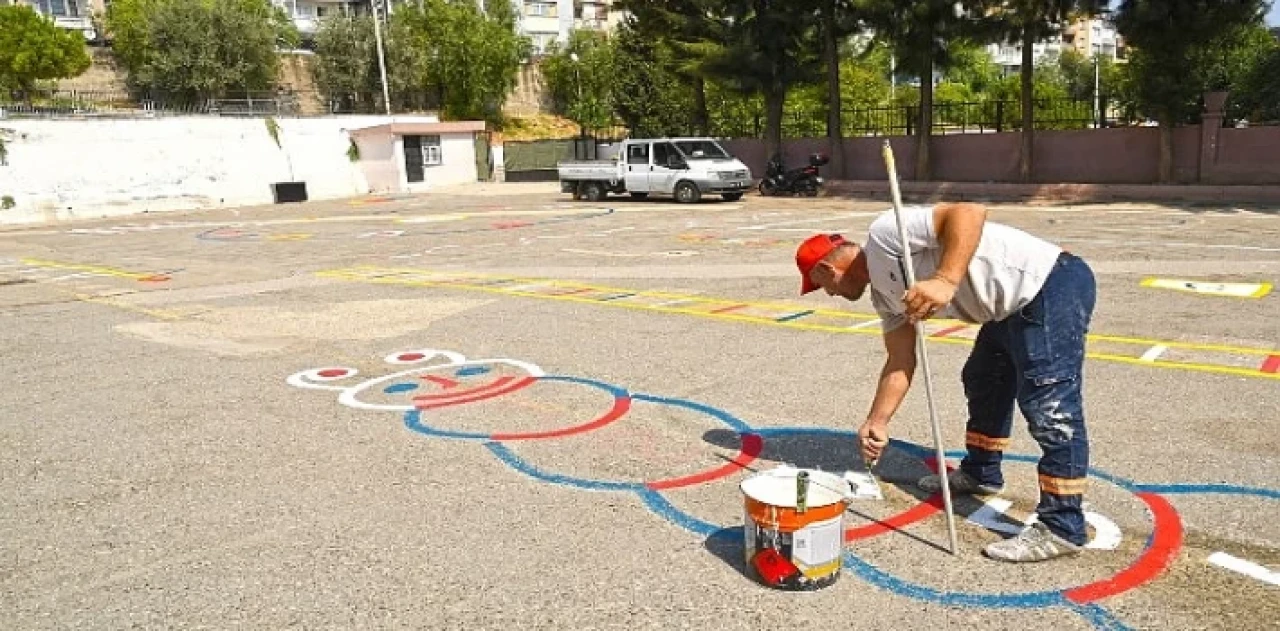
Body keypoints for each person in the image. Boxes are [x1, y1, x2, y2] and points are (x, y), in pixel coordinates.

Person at [794, 202, 1097, 563]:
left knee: (1050, 407)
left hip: (1049, 283)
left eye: (820, 284)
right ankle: (981, 472)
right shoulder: (883, 298)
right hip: (1007, 307)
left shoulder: (886, 234)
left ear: (828, 268)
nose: (827, 294)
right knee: (984, 377)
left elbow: (969, 212)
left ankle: (1062, 527)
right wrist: (877, 421)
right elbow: (900, 360)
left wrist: (945, 279)